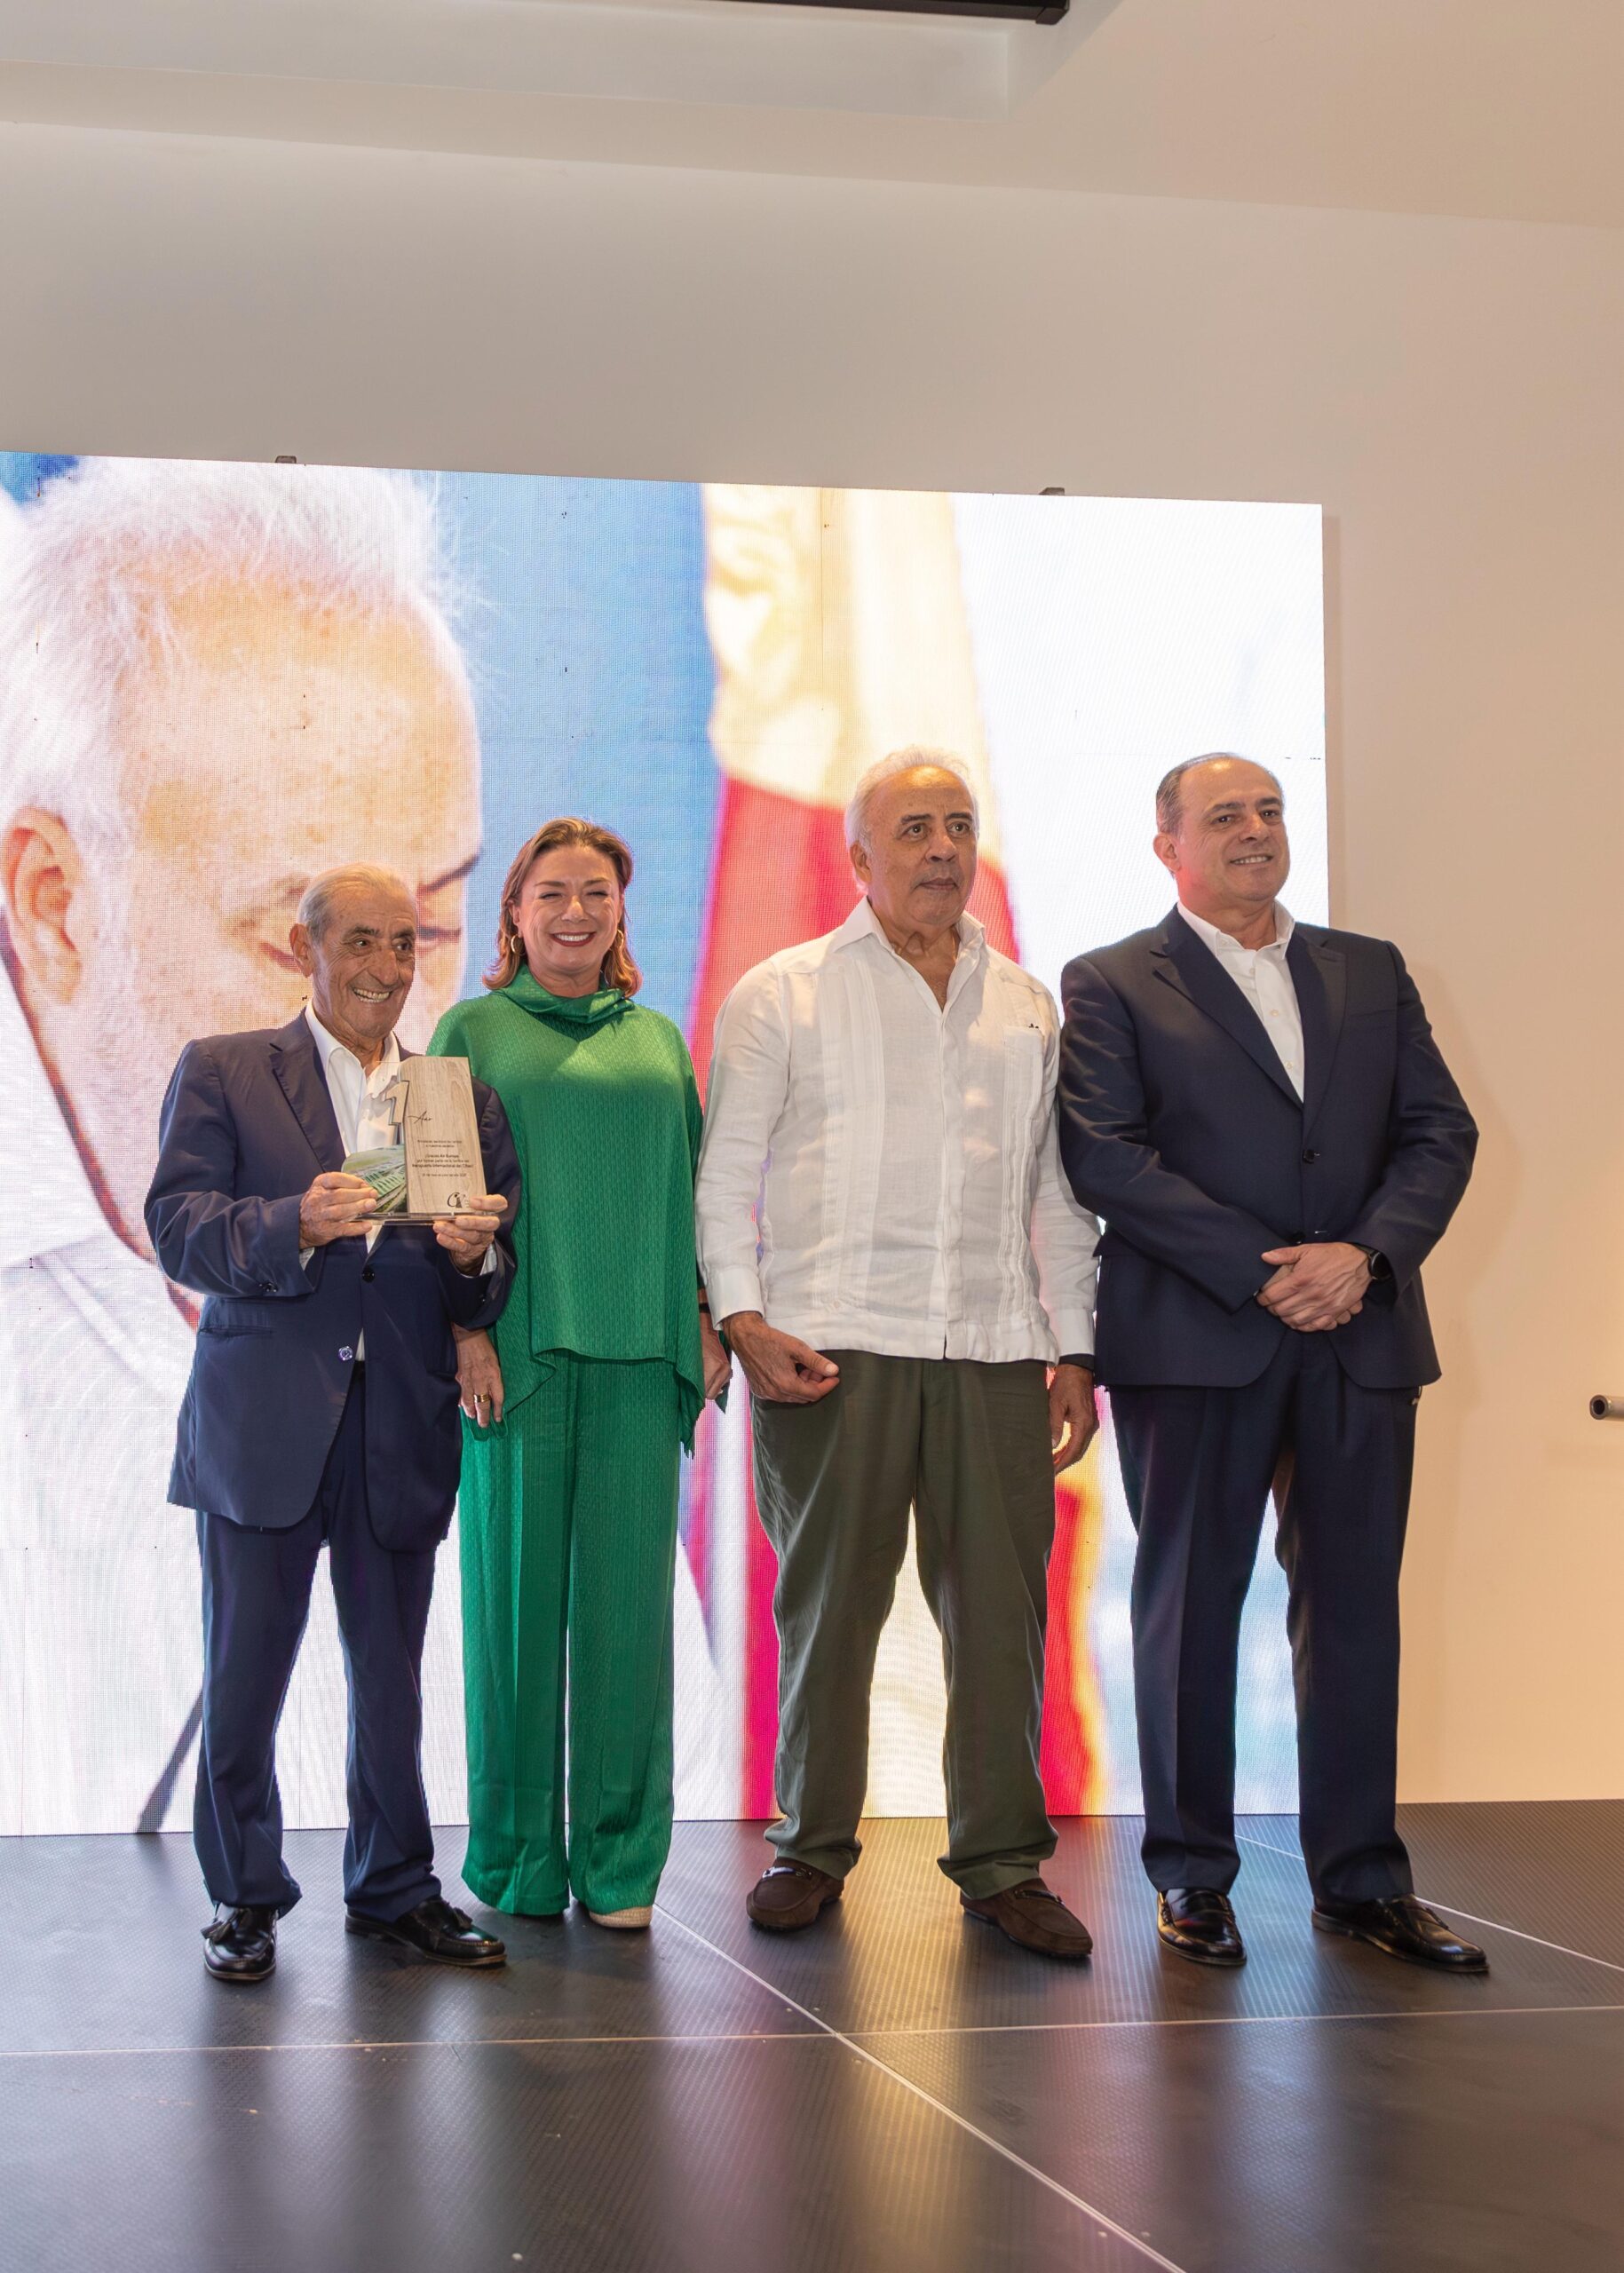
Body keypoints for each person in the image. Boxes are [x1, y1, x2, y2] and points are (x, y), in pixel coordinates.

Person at [0, 459, 484, 1835]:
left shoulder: (451, 1096)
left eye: (433, 927)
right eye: (302, 941)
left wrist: (484, 1277)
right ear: (57, 905)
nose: (393, 1009)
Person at [1058, 754, 1485, 1974]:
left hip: (1361, 1330)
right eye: (1224, 816)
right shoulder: (1110, 980)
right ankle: (1191, 1875)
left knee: (1353, 1610)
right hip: (1195, 1340)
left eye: (1269, 810)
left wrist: (1362, 1257)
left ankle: (1362, 1880)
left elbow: (1437, 1132)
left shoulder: (1369, 968)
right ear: (1167, 847)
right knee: (1189, 1607)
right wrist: (1265, 1271)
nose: (1255, 830)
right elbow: (1105, 1156)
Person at [695, 749, 1101, 1959]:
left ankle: (1001, 1864)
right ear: (858, 856)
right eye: (913, 828)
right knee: (828, 1616)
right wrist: (742, 1318)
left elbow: (1056, 1194)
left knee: (1001, 1627)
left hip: (995, 1350)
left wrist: (1074, 1350)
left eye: (958, 825)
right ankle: (809, 1849)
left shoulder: (1025, 1003)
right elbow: (723, 1176)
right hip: (830, 1351)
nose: (940, 848)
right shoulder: (782, 992)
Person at [145, 864, 519, 1983]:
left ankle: (394, 1887)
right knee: (245, 1675)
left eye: (404, 944)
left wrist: (475, 1258)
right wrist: (290, 1224)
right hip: (262, 1426)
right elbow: (178, 1226)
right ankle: (244, 1896)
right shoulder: (223, 1068)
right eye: (360, 941)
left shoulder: (456, 1099)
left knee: (391, 1679)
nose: (385, 967)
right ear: (304, 949)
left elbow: (488, 1278)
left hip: (399, 1422)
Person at [429, 819, 731, 1930]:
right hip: (514, 1359)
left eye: (594, 891)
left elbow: (689, 1192)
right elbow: (433, 1202)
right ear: (514, 912)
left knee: (627, 1629)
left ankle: (619, 1866)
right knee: (511, 1621)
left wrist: (700, 1316)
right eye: (550, 891)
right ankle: (516, 1861)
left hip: (641, 1358)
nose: (573, 911)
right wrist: (461, 1330)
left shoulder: (657, 1039)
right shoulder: (467, 1029)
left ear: (619, 911)